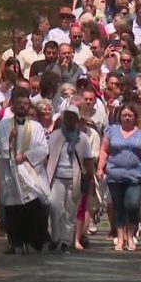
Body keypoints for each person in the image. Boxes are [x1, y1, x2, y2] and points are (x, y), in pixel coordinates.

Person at [0, 87, 51, 254]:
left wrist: (25, 156)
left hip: (30, 172)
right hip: (10, 172)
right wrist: (8, 140)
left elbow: (43, 148)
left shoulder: (36, 127)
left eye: (25, 103)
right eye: (19, 103)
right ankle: (13, 242)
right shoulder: (3, 126)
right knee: (12, 209)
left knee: (34, 207)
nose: (22, 106)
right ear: (13, 106)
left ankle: (34, 240)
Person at [96, 103, 141, 251]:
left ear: (134, 117)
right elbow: (104, 150)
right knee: (118, 207)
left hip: (135, 175)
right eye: (124, 115)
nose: (126, 118)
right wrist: (100, 167)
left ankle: (131, 236)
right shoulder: (111, 131)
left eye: (129, 115)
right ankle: (120, 238)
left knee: (132, 205)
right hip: (115, 174)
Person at [46, 105, 96, 253]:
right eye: (66, 116)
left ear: (76, 119)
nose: (68, 120)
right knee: (55, 207)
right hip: (57, 177)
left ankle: (65, 241)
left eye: (72, 117)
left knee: (70, 211)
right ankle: (55, 237)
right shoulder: (55, 135)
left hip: (75, 178)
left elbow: (88, 160)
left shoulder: (83, 139)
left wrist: (91, 177)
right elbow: (47, 156)